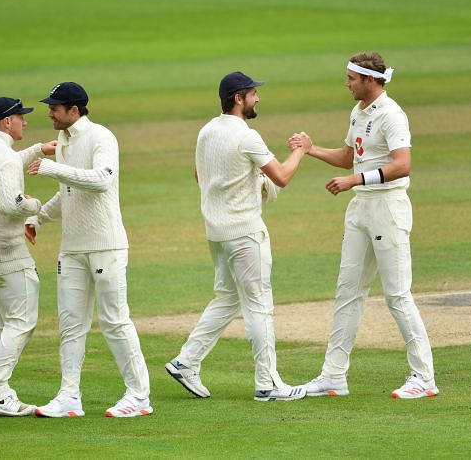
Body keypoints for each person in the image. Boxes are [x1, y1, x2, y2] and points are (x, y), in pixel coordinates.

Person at [292, 52, 438, 399]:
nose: (346, 84)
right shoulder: (359, 112)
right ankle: (333, 376)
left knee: (398, 295)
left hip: (387, 208)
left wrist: (354, 180)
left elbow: (403, 165)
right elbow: (348, 156)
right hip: (360, 209)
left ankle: (424, 377)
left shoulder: (391, 114)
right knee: (347, 291)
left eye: (351, 79)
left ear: (370, 80)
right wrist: (310, 150)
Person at [165, 71, 308, 402]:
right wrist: (300, 150)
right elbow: (283, 176)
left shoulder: (207, 131)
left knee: (228, 298)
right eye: (253, 94)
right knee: (259, 303)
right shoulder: (248, 137)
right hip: (244, 232)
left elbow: (199, 175)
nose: (258, 99)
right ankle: (267, 384)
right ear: (238, 99)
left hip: (216, 232)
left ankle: (186, 362)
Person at [26, 82, 152, 418]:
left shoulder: (101, 137)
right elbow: (68, 193)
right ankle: (69, 397)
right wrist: (37, 218)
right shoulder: (65, 142)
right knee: (70, 324)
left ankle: (139, 396)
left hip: (106, 245)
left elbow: (101, 180)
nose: (50, 112)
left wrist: (51, 167)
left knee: (114, 321)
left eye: (55, 107)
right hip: (72, 248)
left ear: (74, 110)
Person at [0, 97, 57, 417]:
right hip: (6, 254)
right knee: (22, 321)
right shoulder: (3, 158)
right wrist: (34, 205)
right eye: (20, 118)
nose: (25, 122)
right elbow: (11, 204)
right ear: (7, 122)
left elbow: (5, 163)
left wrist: (37, 150)